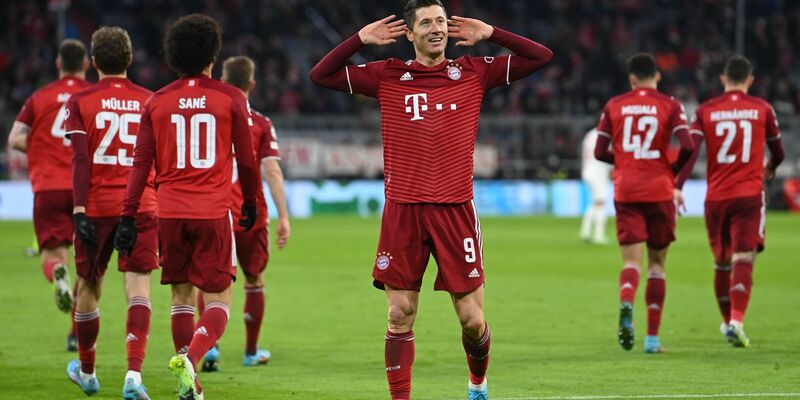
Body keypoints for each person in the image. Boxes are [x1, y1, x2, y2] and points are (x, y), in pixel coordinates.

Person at [310, 1, 552, 398]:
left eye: (440, 21)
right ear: (409, 33)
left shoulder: (474, 71)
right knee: (398, 314)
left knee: (472, 320)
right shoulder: (387, 74)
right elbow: (320, 75)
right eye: (426, 23)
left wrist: (491, 33)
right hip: (403, 210)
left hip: (455, 209)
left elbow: (541, 56)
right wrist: (359, 40)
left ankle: (477, 382)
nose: (436, 28)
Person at [114, 14, 259, 400]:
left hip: (169, 212)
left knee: (180, 296)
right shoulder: (232, 98)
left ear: (173, 55)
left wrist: (128, 215)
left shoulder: (156, 101)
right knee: (219, 299)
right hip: (212, 211)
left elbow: (140, 165)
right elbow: (247, 161)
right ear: (213, 54)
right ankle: (190, 359)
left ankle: (190, 384)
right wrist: (251, 201)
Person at [61, 26, 157, 399]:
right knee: (138, 287)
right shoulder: (150, 100)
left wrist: (79, 211)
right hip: (141, 205)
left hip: (97, 207)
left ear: (94, 62)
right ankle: (133, 376)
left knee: (89, 285)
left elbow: (80, 159)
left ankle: (87, 372)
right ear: (130, 59)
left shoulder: (79, 101)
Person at [594, 53, 697, 354]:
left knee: (631, 263)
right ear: (657, 76)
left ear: (631, 79)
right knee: (657, 264)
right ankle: (652, 339)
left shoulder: (614, 104)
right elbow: (688, 145)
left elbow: (600, 151)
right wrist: (671, 169)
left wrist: (624, 160)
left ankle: (627, 301)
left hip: (627, 189)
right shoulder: (670, 105)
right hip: (660, 189)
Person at [200, 55, 291, 372]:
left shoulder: (210, 117)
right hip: (250, 216)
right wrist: (284, 216)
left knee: (210, 283)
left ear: (223, 81)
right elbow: (272, 171)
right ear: (252, 83)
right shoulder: (261, 123)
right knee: (253, 279)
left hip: (213, 211)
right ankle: (251, 351)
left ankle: (210, 348)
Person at [688, 55, 785, 348]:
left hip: (716, 196)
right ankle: (736, 321)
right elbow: (778, 151)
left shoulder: (706, 110)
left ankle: (727, 322)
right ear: (750, 80)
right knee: (743, 258)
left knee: (721, 262)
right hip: (749, 194)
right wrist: (771, 166)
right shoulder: (762, 108)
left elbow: (690, 150)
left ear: (723, 79)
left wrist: (676, 183)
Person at [7, 39, 90, 350]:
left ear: (58, 64)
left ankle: (56, 273)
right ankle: (76, 335)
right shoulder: (92, 96)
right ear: (86, 64)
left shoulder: (39, 97)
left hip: (49, 187)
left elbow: (15, 139)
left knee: (53, 255)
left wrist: (42, 149)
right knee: (87, 265)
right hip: (85, 189)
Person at [579, 128, 612, 244]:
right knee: (600, 203)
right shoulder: (604, 135)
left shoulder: (589, 135)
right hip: (598, 172)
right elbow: (603, 155)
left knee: (595, 202)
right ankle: (599, 235)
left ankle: (585, 232)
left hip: (588, 170)